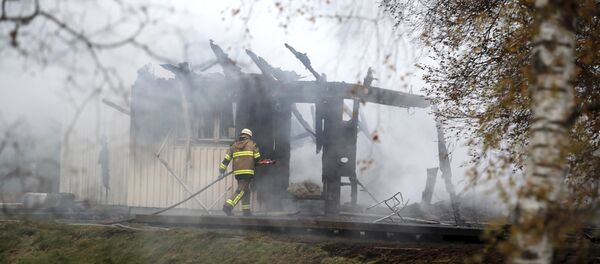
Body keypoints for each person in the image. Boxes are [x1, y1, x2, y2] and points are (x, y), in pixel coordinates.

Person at [219, 128, 260, 216]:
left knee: (246, 190)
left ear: (241, 135)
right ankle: (228, 207)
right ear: (249, 136)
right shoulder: (252, 144)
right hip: (248, 172)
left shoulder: (234, 146)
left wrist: (221, 171)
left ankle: (246, 211)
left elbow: (226, 159)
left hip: (238, 173)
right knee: (242, 191)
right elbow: (257, 158)